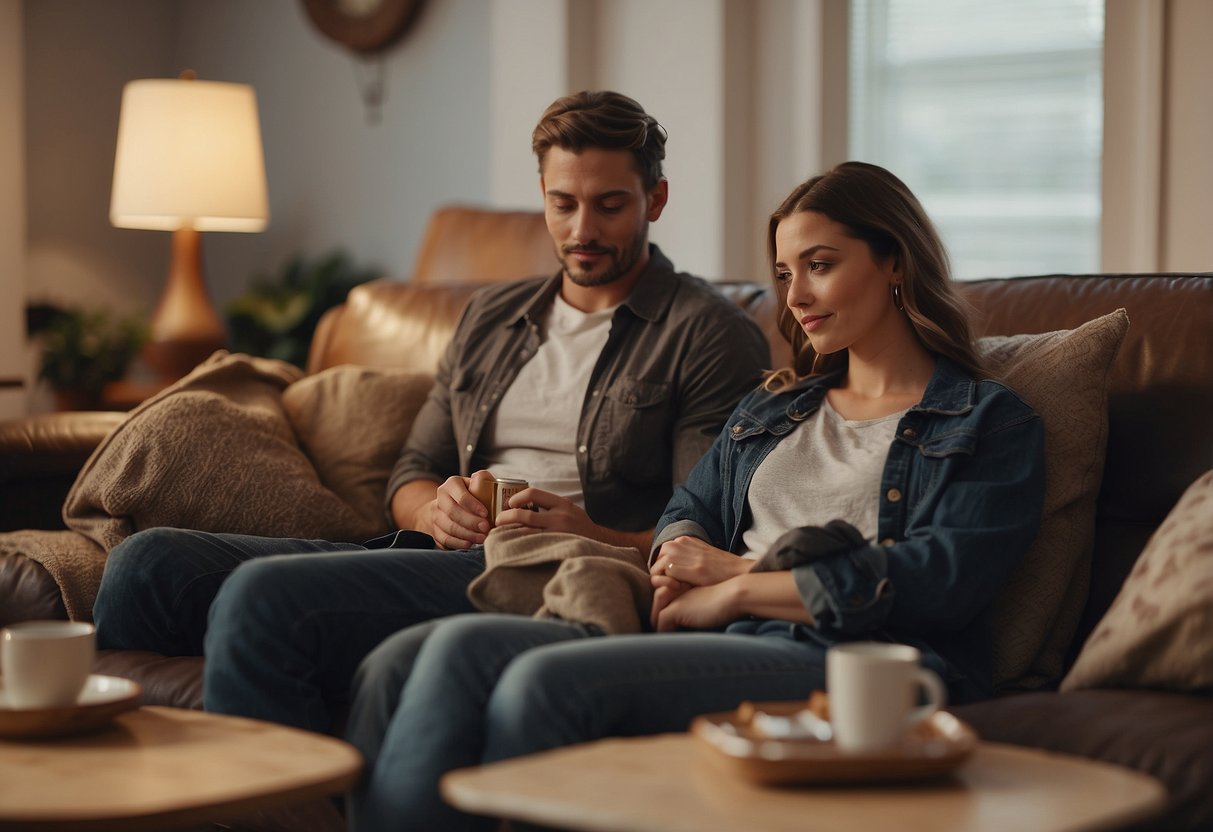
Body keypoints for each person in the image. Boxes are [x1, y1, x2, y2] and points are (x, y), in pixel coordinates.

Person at [340, 161, 1047, 831]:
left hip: (851, 656)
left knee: (548, 684)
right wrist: (688, 563)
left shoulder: (986, 421)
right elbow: (688, 516)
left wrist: (736, 586)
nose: (793, 297)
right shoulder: (771, 409)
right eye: (783, 273)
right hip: (720, 633)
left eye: (820, 265)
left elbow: (937, 580)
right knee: (428, 653)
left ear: (894, 261)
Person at [91, 90, 771, 731]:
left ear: (655, 198)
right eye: (562, 203)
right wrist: (430, 509)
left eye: (609, 205)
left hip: (553, 569)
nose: (581, 228)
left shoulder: (705, 332)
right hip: (435, 552)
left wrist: (591, 529)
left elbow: (701, 535)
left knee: (262, 597)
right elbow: (413, 470)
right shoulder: (491, 316)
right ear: (541, 195)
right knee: (145, 566)